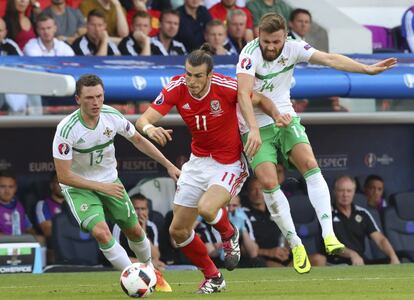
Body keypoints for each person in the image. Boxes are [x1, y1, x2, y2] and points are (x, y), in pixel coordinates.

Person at [236, 13, 397, 274]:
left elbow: (331, 59)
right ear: (259, 36)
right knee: (267, 181)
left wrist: (366, 69)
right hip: (255, 125)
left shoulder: (294, 48)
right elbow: (243, 93)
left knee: (310, 163)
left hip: (285, 115)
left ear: (285, 37)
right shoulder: (249, 53)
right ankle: (295, 243)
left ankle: (329, 235)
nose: (270, 47)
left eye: (275, 41)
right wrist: (253, 129)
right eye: (266, 41)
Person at [135, 44, 275, 294]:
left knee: (207, 208)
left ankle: (229, 234)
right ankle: (213, 276)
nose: (191, 80)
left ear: (210, 75)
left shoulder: (226, 86)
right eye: (188, 74)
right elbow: (143, 119)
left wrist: (258, 128)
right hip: (198, 161)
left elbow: (261, 100)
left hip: (229, 162)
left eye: (198, 76)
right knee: (178, 231)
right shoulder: (177, 87)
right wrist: (150, 129)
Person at [52, 74, 180, 292]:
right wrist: (101, 187)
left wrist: (168, 165)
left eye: (99, 96)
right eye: (89, 98)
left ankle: (150, 271)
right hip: (79, 187)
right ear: (77, 100)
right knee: (102, 232)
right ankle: (137, 277)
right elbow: (64, 176)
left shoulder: (112, 116)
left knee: (136, 232)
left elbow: (138, 140)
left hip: (109, 180)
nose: (96, 102)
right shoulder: (66, 129)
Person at [332, 176, 400, 265]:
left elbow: (380, 239)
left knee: (389, 263)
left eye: (349, 191)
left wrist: (393, 256)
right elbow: (329, 245)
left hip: (360, 261)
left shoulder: (362, 213)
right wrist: (351, 254)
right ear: (334, 192)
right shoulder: (326, 214)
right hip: (336, 262)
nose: (345, 195)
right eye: (341, 190)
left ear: (354, 193)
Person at [112, 193, 166, 271]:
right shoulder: (119, 226)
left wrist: (143, 231)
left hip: (142, 265)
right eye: (136, 209)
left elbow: (155, 256)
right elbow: (115, 257)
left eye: (143, 209)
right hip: (125, 267)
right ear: (130, 209)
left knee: (162, 268)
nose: (140, 213)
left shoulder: (151, 226)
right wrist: (145, 264)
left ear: (147, 211)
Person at [244, 177, 290, 267]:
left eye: (261, 189)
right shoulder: (243, 215)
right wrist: (269, 252)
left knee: (318, 259)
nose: (258, 193)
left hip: (281, 256)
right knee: (279, 268)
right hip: (259, 259)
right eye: (253, 189)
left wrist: (286, 250)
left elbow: (286, 235)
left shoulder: (276, 211)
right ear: (248, 193)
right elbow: (242, 249)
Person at [0, 170, 44, 245]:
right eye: (2, 186)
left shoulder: (18, 205)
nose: (7, 191)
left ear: (15, 188)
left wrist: (32, 234)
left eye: (11, 187)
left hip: (20, 240)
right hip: (3, 242)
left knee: (40, 239)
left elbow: (29, 228)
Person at [35, 172, 64, 263]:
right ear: (52, 185)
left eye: (65, 183)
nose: (62, 186)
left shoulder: (76, 204)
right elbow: (48, 231)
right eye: (59, 183)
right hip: (56, 245)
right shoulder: (43, 204)